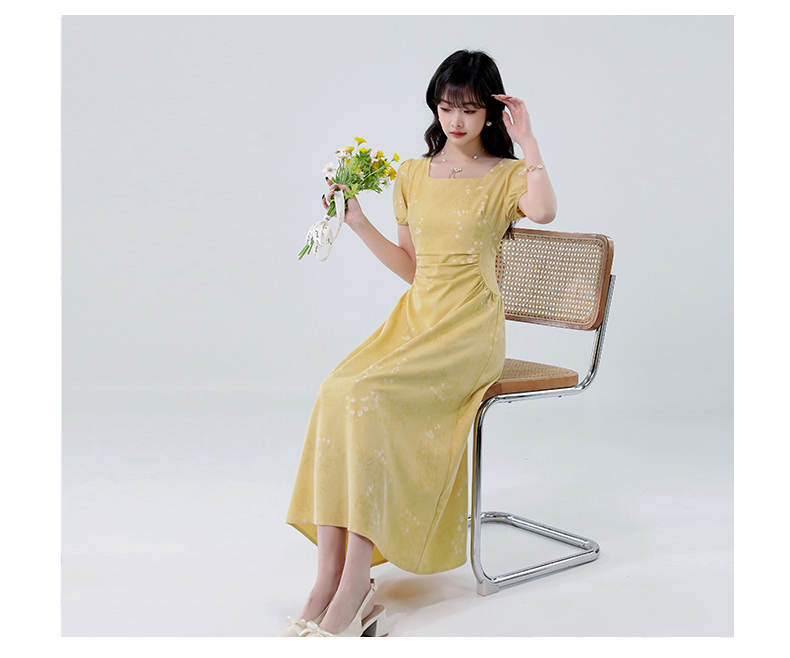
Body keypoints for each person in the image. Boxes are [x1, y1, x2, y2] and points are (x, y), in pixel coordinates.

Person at [280, 49, 557, 637]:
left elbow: (544, 211)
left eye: (470, 109)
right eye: (446, 107)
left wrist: (528, 140)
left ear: (491, 113)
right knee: (338, 389)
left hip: (468, 330)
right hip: (416, 319)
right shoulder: (411, 173)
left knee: (370, 396)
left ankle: (356, 586)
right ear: (435, 107)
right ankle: (328, 579)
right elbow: (412, 268)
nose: (456, 120)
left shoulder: (506, 175)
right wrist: (357, 223)